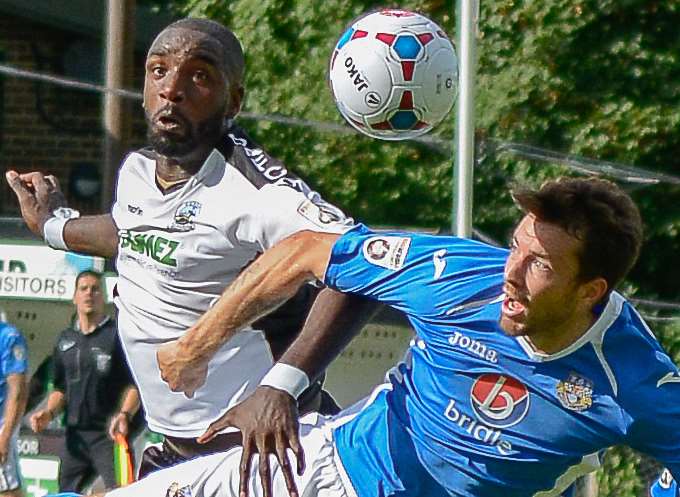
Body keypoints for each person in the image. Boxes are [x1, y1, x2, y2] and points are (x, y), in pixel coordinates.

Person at [58, 177, 680, 497]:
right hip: (324, 467)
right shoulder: (459, 275)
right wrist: (214, 353)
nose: (510, 273)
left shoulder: (633, 382)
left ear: (590, 291)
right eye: (516, 244)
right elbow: (309, 254)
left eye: (540, 264)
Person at [6, 17, 375, 474]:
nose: (172, 88)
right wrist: (54, 227)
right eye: (158, 70)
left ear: (233, 100)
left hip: (257, 454)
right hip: (173, 451)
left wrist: (283, 385)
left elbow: (364, 267)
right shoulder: (138, 171)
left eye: (199, 75)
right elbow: (134, 237)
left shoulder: (255, 189)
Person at [29, 271, 140, 492]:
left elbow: (134, 385)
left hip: (109, 435)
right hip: (75, 436)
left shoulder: (116, 336)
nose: (89, 293)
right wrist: (48, 413)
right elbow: (61, 389)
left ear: (103, 296)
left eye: (95, 289)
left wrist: (125, 414)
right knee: (66, 494)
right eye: (84, 289)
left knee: (122, 492)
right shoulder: (65, 340)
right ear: (74, 297)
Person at [0, 317, 28, 497]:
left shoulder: (8, 336)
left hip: (1, 423)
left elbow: (17, 390)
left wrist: (5, 436)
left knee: (7, 491)